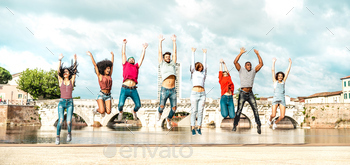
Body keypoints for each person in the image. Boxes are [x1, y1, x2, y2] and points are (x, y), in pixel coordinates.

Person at [233, 47, 263, 134]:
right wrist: (240, 53)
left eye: (250, 65)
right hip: (242, 93)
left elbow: (261, 64)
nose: (249, 66)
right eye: (248, 65)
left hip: (250, 93)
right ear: (245, 66)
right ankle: (235, 125)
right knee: (239, 110)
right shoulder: (241, 70)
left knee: (255, 109)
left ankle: (258, 125)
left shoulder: (254, 71)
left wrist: (257, 54)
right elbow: (235, 62)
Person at [117, 39, 148, 121]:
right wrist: (124, 44)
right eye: (130, 59)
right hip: (124, 88)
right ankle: (120, 112)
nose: (131, 60)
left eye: (133, 59)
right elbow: (123, 54)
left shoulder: (136, 67)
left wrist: (144, 49)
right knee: (120, 104)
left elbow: (142, 58)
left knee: (138, 105)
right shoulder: (125, 64)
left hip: (133, 89)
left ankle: (134, 111)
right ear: (127, 61)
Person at [56, 54, 78, 145]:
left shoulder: (71, 81)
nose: (65, 73)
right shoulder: (60, 81)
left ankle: (69, 134)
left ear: (69, 73)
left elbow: (75, 72)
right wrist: (59, 60)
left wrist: (75, 61)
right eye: (64, 72)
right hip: (61, 103)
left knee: (69, 121)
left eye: (67, 72)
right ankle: (57, 137)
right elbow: (58, 72)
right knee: (61, 120)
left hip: (70, 103)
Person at [156, 34, 177, 130]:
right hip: (164, 89)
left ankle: (168, 119)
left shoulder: (173, 64)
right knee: (162, 106)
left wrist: (174, 41)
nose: (168, 58)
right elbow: (160, 52)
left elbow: (175, 53)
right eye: (166, 57)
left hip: (173, 90)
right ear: (164, 58)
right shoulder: (162, 64)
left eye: (169, 57)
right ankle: (159, 113)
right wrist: (160, 41)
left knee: (174, 108)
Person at [87, 51, 114, 118]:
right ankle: (97, 109)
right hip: (101, 95)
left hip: (108, 95)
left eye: (109, 68)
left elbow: (112, 64)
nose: (109, 69)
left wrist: (112, 56)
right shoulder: (100, 76)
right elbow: (95, 65)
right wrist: (91, 55)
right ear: (104, 69)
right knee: (102, 111)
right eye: (107, 68)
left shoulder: (110, 75)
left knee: (108, 112)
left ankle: (103, 106)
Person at [268, 58, 292, 129]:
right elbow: (272, 71)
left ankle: (275, 122)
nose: (280, 77)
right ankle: (270, 120)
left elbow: (287, 71)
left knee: (282, 116)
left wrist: (290, 63)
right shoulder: (275, 82)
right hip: (275, 99)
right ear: (277, 77)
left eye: (281, 76)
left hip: (282, 100)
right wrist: (273, 62)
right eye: (279, 76)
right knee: (273, 114)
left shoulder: (284, 82)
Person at [189, 47, 207, 135]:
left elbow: (205, 64)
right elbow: (192, 63)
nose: (201, 68)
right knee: (194, 111)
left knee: (200, 111)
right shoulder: (194, 73)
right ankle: (193, 127)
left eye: (201, 67)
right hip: (194, 93)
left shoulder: (203, 73)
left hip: (202, 93)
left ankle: (199, 127)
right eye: (199, 66)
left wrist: (204, 54)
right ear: (196, 67)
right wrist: (193, 52)